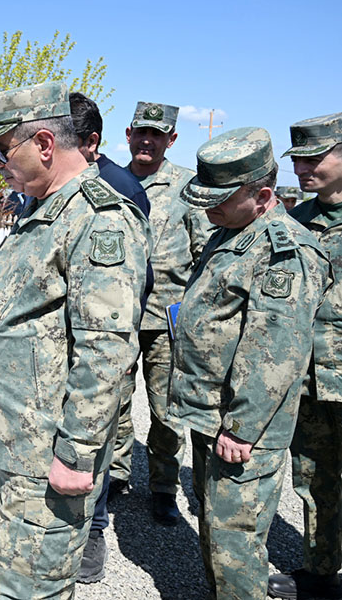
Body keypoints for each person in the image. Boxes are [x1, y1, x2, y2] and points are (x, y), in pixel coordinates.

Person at [0, 81, 150, 598]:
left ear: (45, 144)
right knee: (22, 574)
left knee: (31, 589)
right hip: (24, 443)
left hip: (49, 448)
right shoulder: (45, 209)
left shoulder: (98, 219)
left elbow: (106, 349)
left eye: (3, 150)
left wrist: (77, 451)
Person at [169, 127, 329, 600]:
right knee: (217, 532)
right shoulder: (233, 231)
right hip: (211, 415)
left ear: (262, 196)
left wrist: (240, 427)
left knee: (235, 543)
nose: (206, 208)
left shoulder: (284, 250)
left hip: (242, 427)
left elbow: (276, 351)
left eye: (219, 198)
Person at [114, 101, 213, 526]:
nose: (148, 141)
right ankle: (116, 474)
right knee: (112, 402)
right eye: (142, 132)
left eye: (158, 134)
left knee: (166, 409)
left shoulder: (188, 188)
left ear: (171, 139)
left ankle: (162, 487)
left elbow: (207, 254)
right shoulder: (110, 182)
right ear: (129, 133)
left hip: (165, 320)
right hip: (114, 316)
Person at [69, 91, 152, 584]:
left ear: (92, 143)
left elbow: (130, 278)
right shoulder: (47, 186)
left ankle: (94, 528)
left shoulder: (120, 190)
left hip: (101, 338)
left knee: (95, 432)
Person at [268, 112, 342, 600]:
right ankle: (321, 573)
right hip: (312, 377)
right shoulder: (296, 222)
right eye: (298, 160)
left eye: (316, 158)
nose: (304, 169)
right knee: (315, 479)